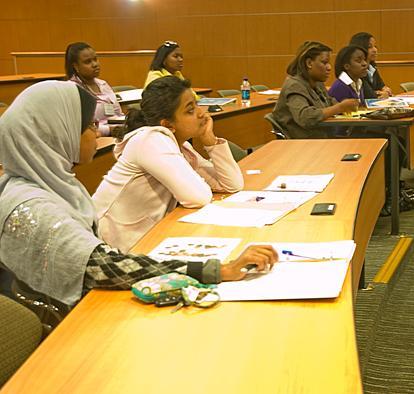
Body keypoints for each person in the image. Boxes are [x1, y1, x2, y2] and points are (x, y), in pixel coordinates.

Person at [0, 80, 277, 309]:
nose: (96, 135)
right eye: (88, 126)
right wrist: (219, 269)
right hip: (75, 319)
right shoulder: (31, 204)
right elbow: (105, 268)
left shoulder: (51, 183)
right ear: (56, 134)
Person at [93, 76, 243, 253]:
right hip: (111, 247)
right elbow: (198, 197)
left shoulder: (180, 145)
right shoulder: (150, 140)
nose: (201, 113)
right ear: (167, 124)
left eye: (196, 104)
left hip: (143, 237)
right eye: (190, 110)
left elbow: (232, 185)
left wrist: (209, 141)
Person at [271, 41, 359, 139]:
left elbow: (329, 102)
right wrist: (339, 107)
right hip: (303, 144)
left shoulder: (317, 82)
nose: (329, 67)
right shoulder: (294, 85)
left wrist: (346, 106)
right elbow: (305, 118)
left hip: (322, 137)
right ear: (309, 63)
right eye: (324, 62)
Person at [65, 42, 124, 137]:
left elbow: (118, 114)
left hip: (119, 131)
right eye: (88, 62)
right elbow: (81, 126)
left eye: (95, 59)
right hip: (98, 136)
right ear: (75, 66)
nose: (95, 64)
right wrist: (109, 130)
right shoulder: (72, 89)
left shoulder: (103, 84)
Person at [349, 32, 393, 99]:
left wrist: (385, 89)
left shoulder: (372, 67)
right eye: (370, 47)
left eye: (375, 46)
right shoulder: (356, 70)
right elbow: (368, 95)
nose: (375, 50)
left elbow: (381, 85)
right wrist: (378, 93)